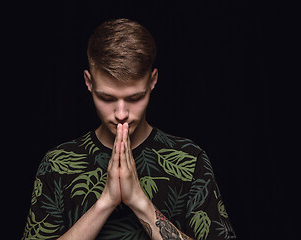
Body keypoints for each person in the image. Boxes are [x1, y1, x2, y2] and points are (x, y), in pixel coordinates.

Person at [22, 18, 236, 240]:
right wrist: (106, 202)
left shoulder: (190, 160)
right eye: (106, 97)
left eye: (135, 97)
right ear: (89, 82)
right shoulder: (57, 164)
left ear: (152, 81)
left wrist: (138, 201)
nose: (121, 113)